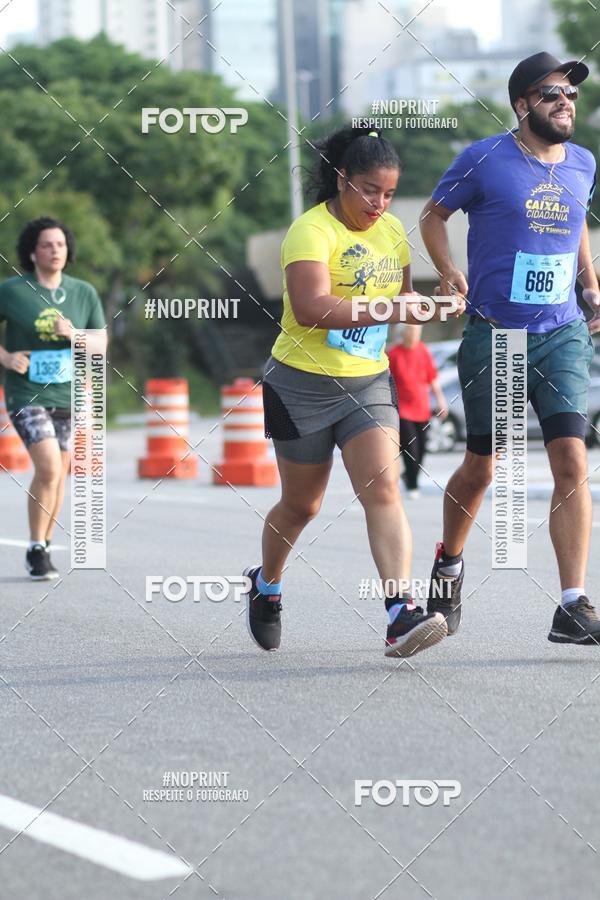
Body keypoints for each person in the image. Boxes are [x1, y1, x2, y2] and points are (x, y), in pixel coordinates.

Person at [242, 125, 464, 657]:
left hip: (367, 382)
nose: (379, 204)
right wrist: (393, 307)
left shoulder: (391, 232)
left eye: (388, 193)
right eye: (369, 190)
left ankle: (400, 613)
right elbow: (312, 308)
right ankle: (266, 584)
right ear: (342, 179)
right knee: (302, 505)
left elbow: (403, 297)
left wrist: (437, 303)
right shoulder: (311, 231)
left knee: (383, 488)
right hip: (300, 383)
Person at [420, 51, 600, 644]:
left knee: (572, 460)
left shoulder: (582, 163)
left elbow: (575, 229)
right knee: (481, 466)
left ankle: (572, 604)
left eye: (571, 94)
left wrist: (591, 284)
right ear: (522, 104)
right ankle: (449, 567)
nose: (565, 102)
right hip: (497, 334)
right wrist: (446, 270)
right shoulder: (485, 159)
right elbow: (432, 215)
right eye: (552, 93)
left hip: (562, 332)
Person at [0, 217, 107, 580]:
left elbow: (100, 345)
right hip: (25, 392)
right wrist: (5, 357)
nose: (55, 250)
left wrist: (73, 333)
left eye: (60, 244)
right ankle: (35, 546)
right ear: (32, 251)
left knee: (59, 473)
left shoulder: (83, 292)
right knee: (48, 467)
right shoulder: (13, 291)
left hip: (69, 392)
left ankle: (43, 545)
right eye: (47, 244)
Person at [387, 324, 448, 498]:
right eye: (411, 331)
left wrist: (441, 400)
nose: (414, 335)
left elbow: (432, 379)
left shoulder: (423, 351)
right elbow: (385, 381)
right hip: (403, 410)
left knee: (421, 450)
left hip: (422, 408)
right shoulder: (393, 354)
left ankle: (408, 476)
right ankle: (413, 485)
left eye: (417, 332)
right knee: (410, 449)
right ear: (403, 333)